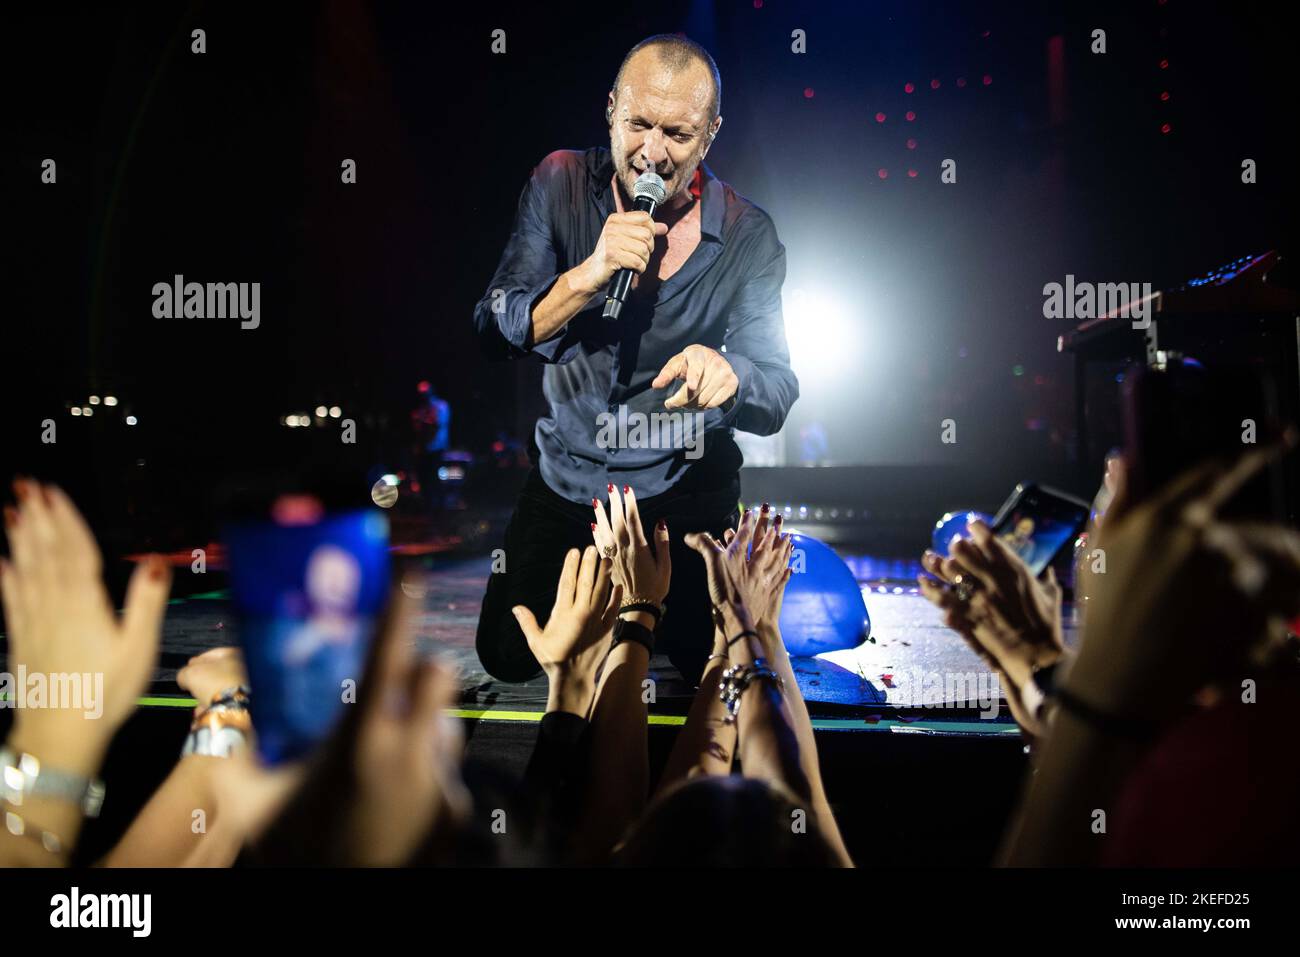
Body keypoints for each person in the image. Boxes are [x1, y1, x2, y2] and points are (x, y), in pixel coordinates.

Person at [472, 34, 799, 684]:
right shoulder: (560, 181)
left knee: (711, 661)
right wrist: (586, 275)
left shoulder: (746, 234)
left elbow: (777, 389)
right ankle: (617, 614)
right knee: (506, 654)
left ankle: (636, 614)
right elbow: (493, 325)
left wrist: (731, 376)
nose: (652, 152)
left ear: (709, 135)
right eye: (638, 125)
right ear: (611, 111)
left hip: (684, 481)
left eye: (677, 134)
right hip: (572, 475)